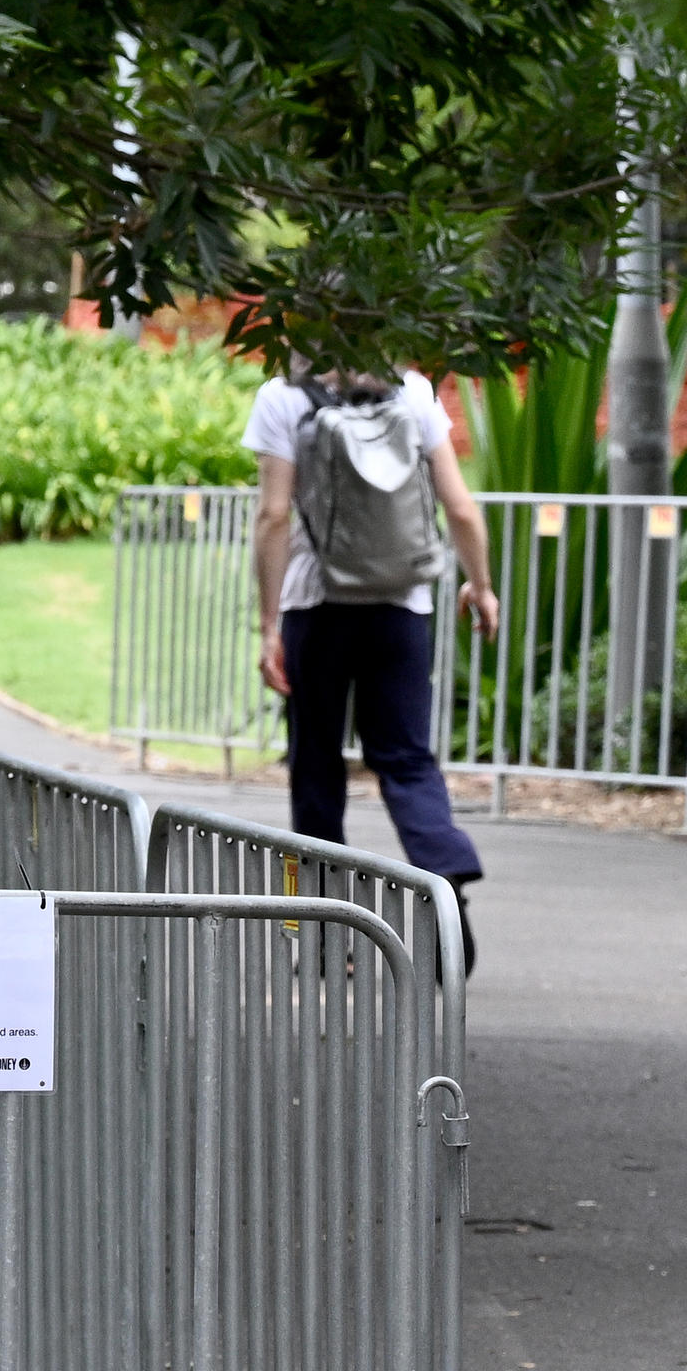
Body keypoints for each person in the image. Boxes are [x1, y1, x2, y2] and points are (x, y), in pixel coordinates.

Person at [247, 360, 502, 959]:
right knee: (407, 758)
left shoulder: (283, 397)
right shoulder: (413, 390)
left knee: (315, 760)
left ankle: (322, 929)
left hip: (316, 605)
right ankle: (446, 885)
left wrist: (267, 626)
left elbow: (274, 514)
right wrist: (481, 585)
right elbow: (460, 507)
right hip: (401, 607)